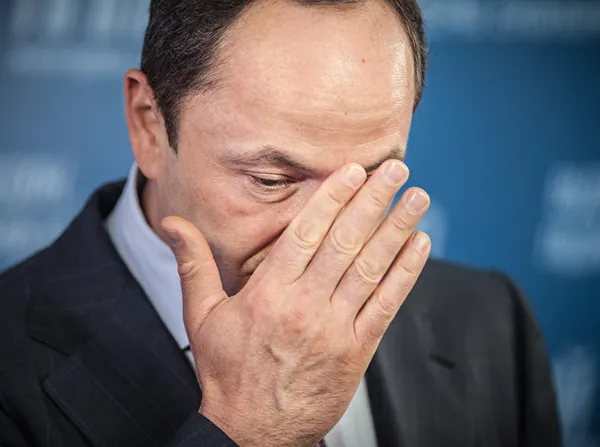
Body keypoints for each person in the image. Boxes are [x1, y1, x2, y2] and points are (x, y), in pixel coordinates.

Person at [0, 0, 562, 446]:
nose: (321, 236)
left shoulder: (490, 322)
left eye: (368, 179)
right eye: (271, 181)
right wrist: (245, 434)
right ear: (149, 125)